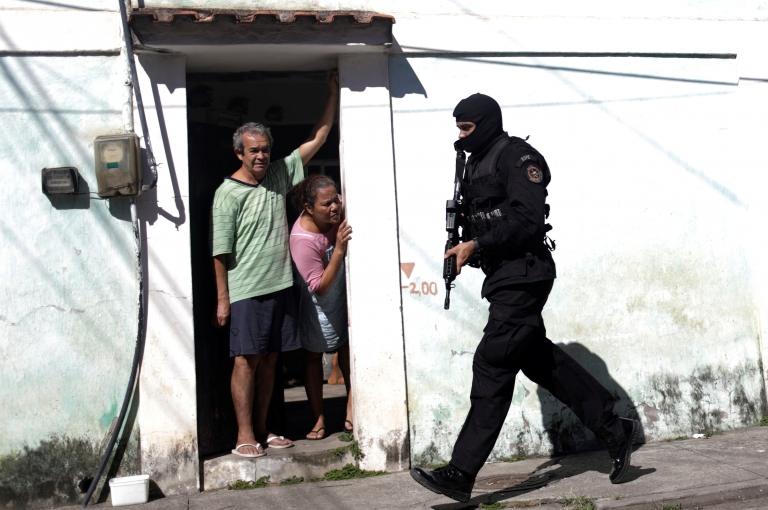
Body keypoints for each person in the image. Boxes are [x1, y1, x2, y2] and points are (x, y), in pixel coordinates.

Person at [410, 93, 638, 502]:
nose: (461, 135)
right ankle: (612, 426)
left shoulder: (517, 158)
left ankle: (461, 472)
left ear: (486, 123)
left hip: (526, 273)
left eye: (467, 127)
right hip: (503, 276)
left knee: (493, 362)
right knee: (537, 359)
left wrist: (476, 244)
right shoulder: (472, 161)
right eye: (458, 128)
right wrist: (465, 244)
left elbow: (528, 221)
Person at [210, 72, 338, 458]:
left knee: (270, 363)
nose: (261, 155)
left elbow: (317, 139)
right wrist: (223, 299)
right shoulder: (227, 194)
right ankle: (244, 435)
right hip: (247, 291)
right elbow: (220, 251)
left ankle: (266, 430)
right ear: (239, 153)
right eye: (254, 151)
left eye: (265, 149)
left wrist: (332, 91)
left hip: (281, 285)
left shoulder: (278, 177)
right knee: (245, 362)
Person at [289, 175, 353, 440]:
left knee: (349, 348)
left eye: (336, 199)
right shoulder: (302, 240)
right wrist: (338, 249)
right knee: (314, 356)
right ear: (309, 208)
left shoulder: (336, 213)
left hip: (343, 296)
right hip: (318, 304)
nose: (335, 208)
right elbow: (320, 287)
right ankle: (318, 418)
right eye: (327, 204)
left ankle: (352, 409)